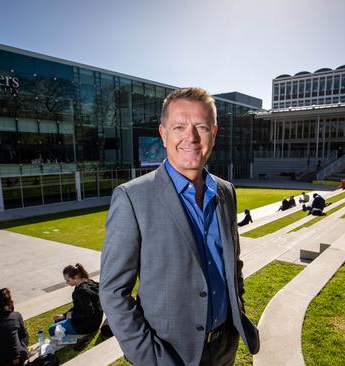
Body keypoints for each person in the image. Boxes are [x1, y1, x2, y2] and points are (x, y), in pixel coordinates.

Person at [100, 87, 259, 365]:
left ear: (214, 132)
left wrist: (238, 311)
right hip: (171, 354)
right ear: (163, 134)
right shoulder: (131, 198)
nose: (191, 137)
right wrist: (151, 358)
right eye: (179, 126)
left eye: (201, 126)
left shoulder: (226, 191)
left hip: (224, 346)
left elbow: (233, 265)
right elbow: (113, 293)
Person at [48, 264, 103, 340]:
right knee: (58, 319)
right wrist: (64, 315)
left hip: (88, 325)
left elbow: (89, 312)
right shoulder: (89, 282)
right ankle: (62, 326)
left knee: (51, 330)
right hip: (96, 321)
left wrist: (68, 316)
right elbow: (80, 307)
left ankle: (63, 328)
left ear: (76, 277)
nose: (67, 283)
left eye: (68, 280)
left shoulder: (82, 291)